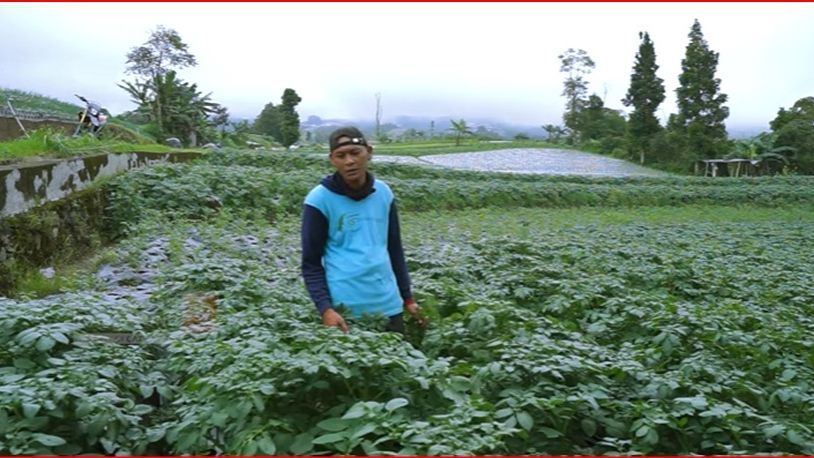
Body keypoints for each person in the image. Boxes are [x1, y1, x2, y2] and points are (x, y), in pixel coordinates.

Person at [301, 126, 424, 334]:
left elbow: (395, 249)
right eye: (341, 156)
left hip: (389, 305)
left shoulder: (384, 193)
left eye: (355, 153)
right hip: (346, 312)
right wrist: (325, 309)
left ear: (369, 153)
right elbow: (311, 263)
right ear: (332, 160)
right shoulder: (319, 200)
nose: (349, 161)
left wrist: (407, 297)